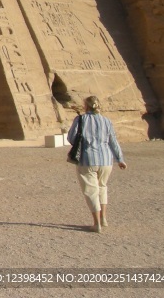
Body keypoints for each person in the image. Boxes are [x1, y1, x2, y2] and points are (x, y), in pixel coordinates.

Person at [67, 95, 127, 233]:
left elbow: (71, 138)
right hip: (106, 160)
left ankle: (96, 223)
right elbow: (113, 142)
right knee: (102, 187)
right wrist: (120, 159)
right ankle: (103, 218)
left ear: (86, 106)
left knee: (91, 191)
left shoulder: (80, 119)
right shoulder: (107, 121)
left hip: (87, 159)